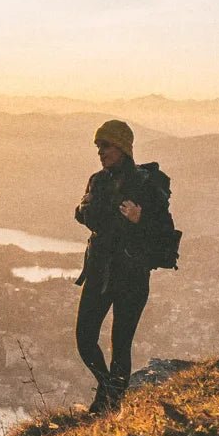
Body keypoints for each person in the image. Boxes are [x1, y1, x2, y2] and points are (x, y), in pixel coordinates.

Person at [73, 119, 167, 413]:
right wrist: (83, 210)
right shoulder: (97, 181)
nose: (100, 152)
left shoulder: (147, 184)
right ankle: (108, 390)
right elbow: (85, 215)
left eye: (106, 146)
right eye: (98, 146)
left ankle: (109, 404)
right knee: (85, 338)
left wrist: (140, 219)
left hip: (131, 276)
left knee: (120, 345)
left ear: (123, 147)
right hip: (99, 272)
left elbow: (164, 230)